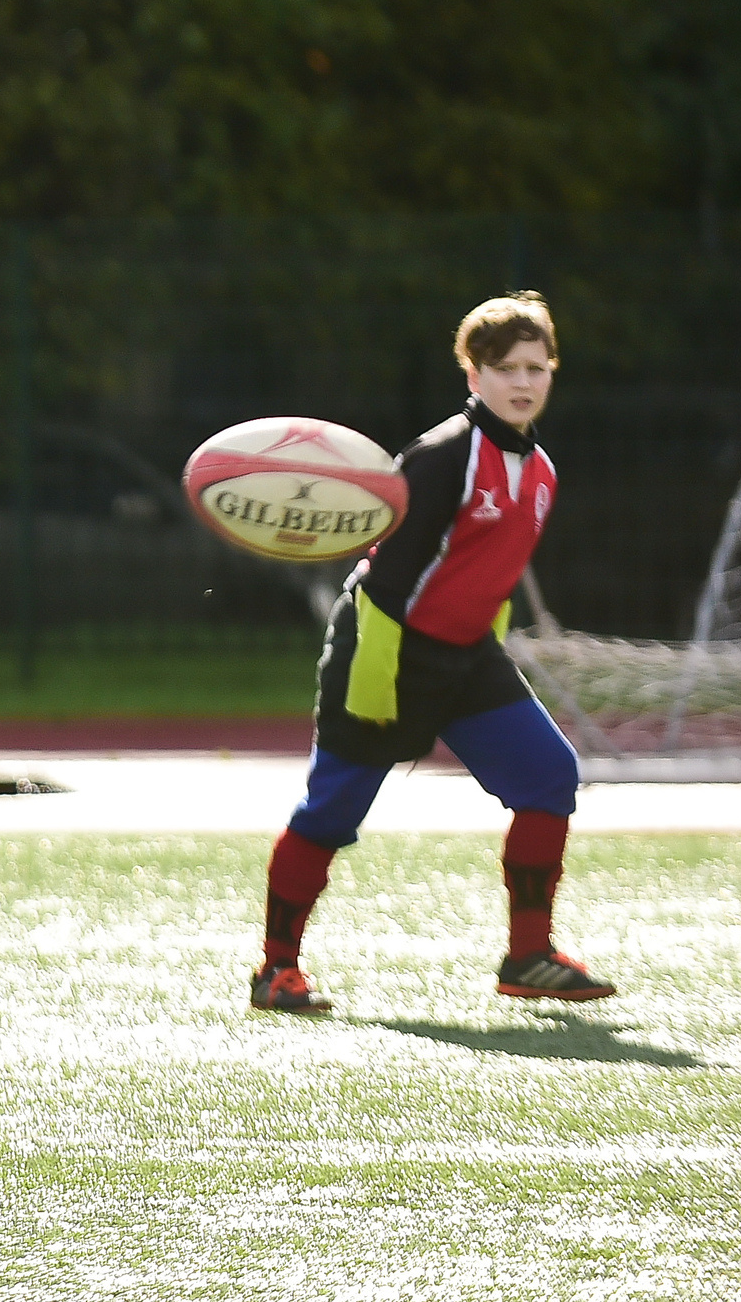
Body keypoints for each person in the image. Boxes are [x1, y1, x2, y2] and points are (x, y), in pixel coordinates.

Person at [251, 291, 612, 1013]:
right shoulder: (443, 455)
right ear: (473, 375)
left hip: (465, 655)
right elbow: (384, 585)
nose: (522, 381)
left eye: (536, 367)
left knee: (549, 776)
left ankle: (529, 957)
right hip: (384, 649)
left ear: (551, 373)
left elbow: (491, 577)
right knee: (332, 813)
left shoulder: (540, 470)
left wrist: (483, 651)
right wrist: (376, 682)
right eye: (505, 367)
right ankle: (276, 971)